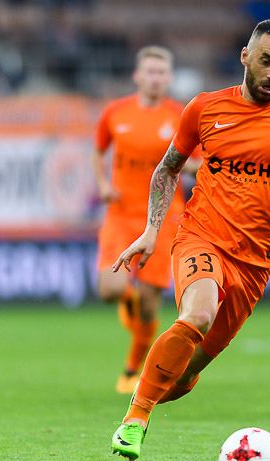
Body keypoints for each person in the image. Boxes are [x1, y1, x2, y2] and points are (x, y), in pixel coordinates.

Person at [110, 19, 270, 461]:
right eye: (266, 61)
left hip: (256, 265)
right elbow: (167, 169)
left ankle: (156, 388)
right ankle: (135, 418)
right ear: (245, 57)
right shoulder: (205, 109)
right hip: (201, 237)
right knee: (198, 314)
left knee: (180, 379)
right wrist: (151, 230)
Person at [93, 46, 198, 394]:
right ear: (137, 76)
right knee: (110, 290)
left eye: (161, 73)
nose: (155, 78)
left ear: (169, 78)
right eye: (150, 72)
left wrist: (187, 164)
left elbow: (197, 161)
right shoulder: (115, 112)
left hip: (163, 218)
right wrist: (103, 184)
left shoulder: (180, 116)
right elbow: (98, 150)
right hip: (122, 214)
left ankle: (131, 369)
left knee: (150, 304)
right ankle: (128, 300)